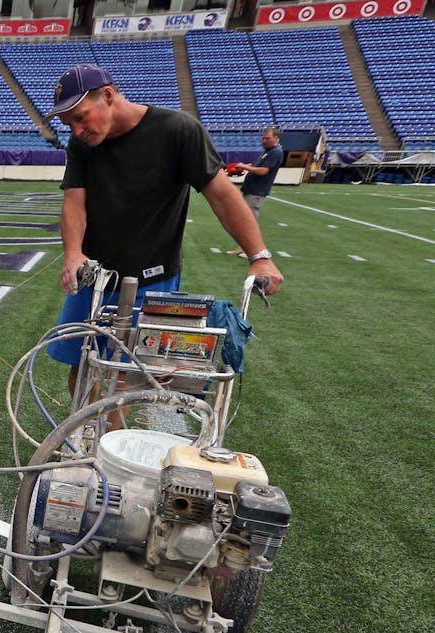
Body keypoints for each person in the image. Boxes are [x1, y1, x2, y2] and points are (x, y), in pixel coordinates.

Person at [42, 64, 284, 389]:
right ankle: (82, 432)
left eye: (81, 117)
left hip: (153, 276)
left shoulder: (177, 130)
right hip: (95, 274)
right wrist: (73, 253)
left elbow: (223, 195)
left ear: (109, 96)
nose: (77, 129)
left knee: (128, 374)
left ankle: (109, 439)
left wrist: (260, 255)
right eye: (68, 123)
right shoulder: (82, 144)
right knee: (82, 361)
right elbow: (74, 201)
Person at [225, 128, 284, 255]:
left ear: (276, 138)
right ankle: (242, 248)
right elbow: (255, 165)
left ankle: (253, 251)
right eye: (263, 138)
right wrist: (244, 165)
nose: (264, 140)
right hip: (251, 189)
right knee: (244, 220)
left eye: (268, 138)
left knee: (250, 221)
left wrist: (243, 166)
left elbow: (263, 171)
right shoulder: (267, 152)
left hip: (257, 191)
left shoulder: (276, 152)